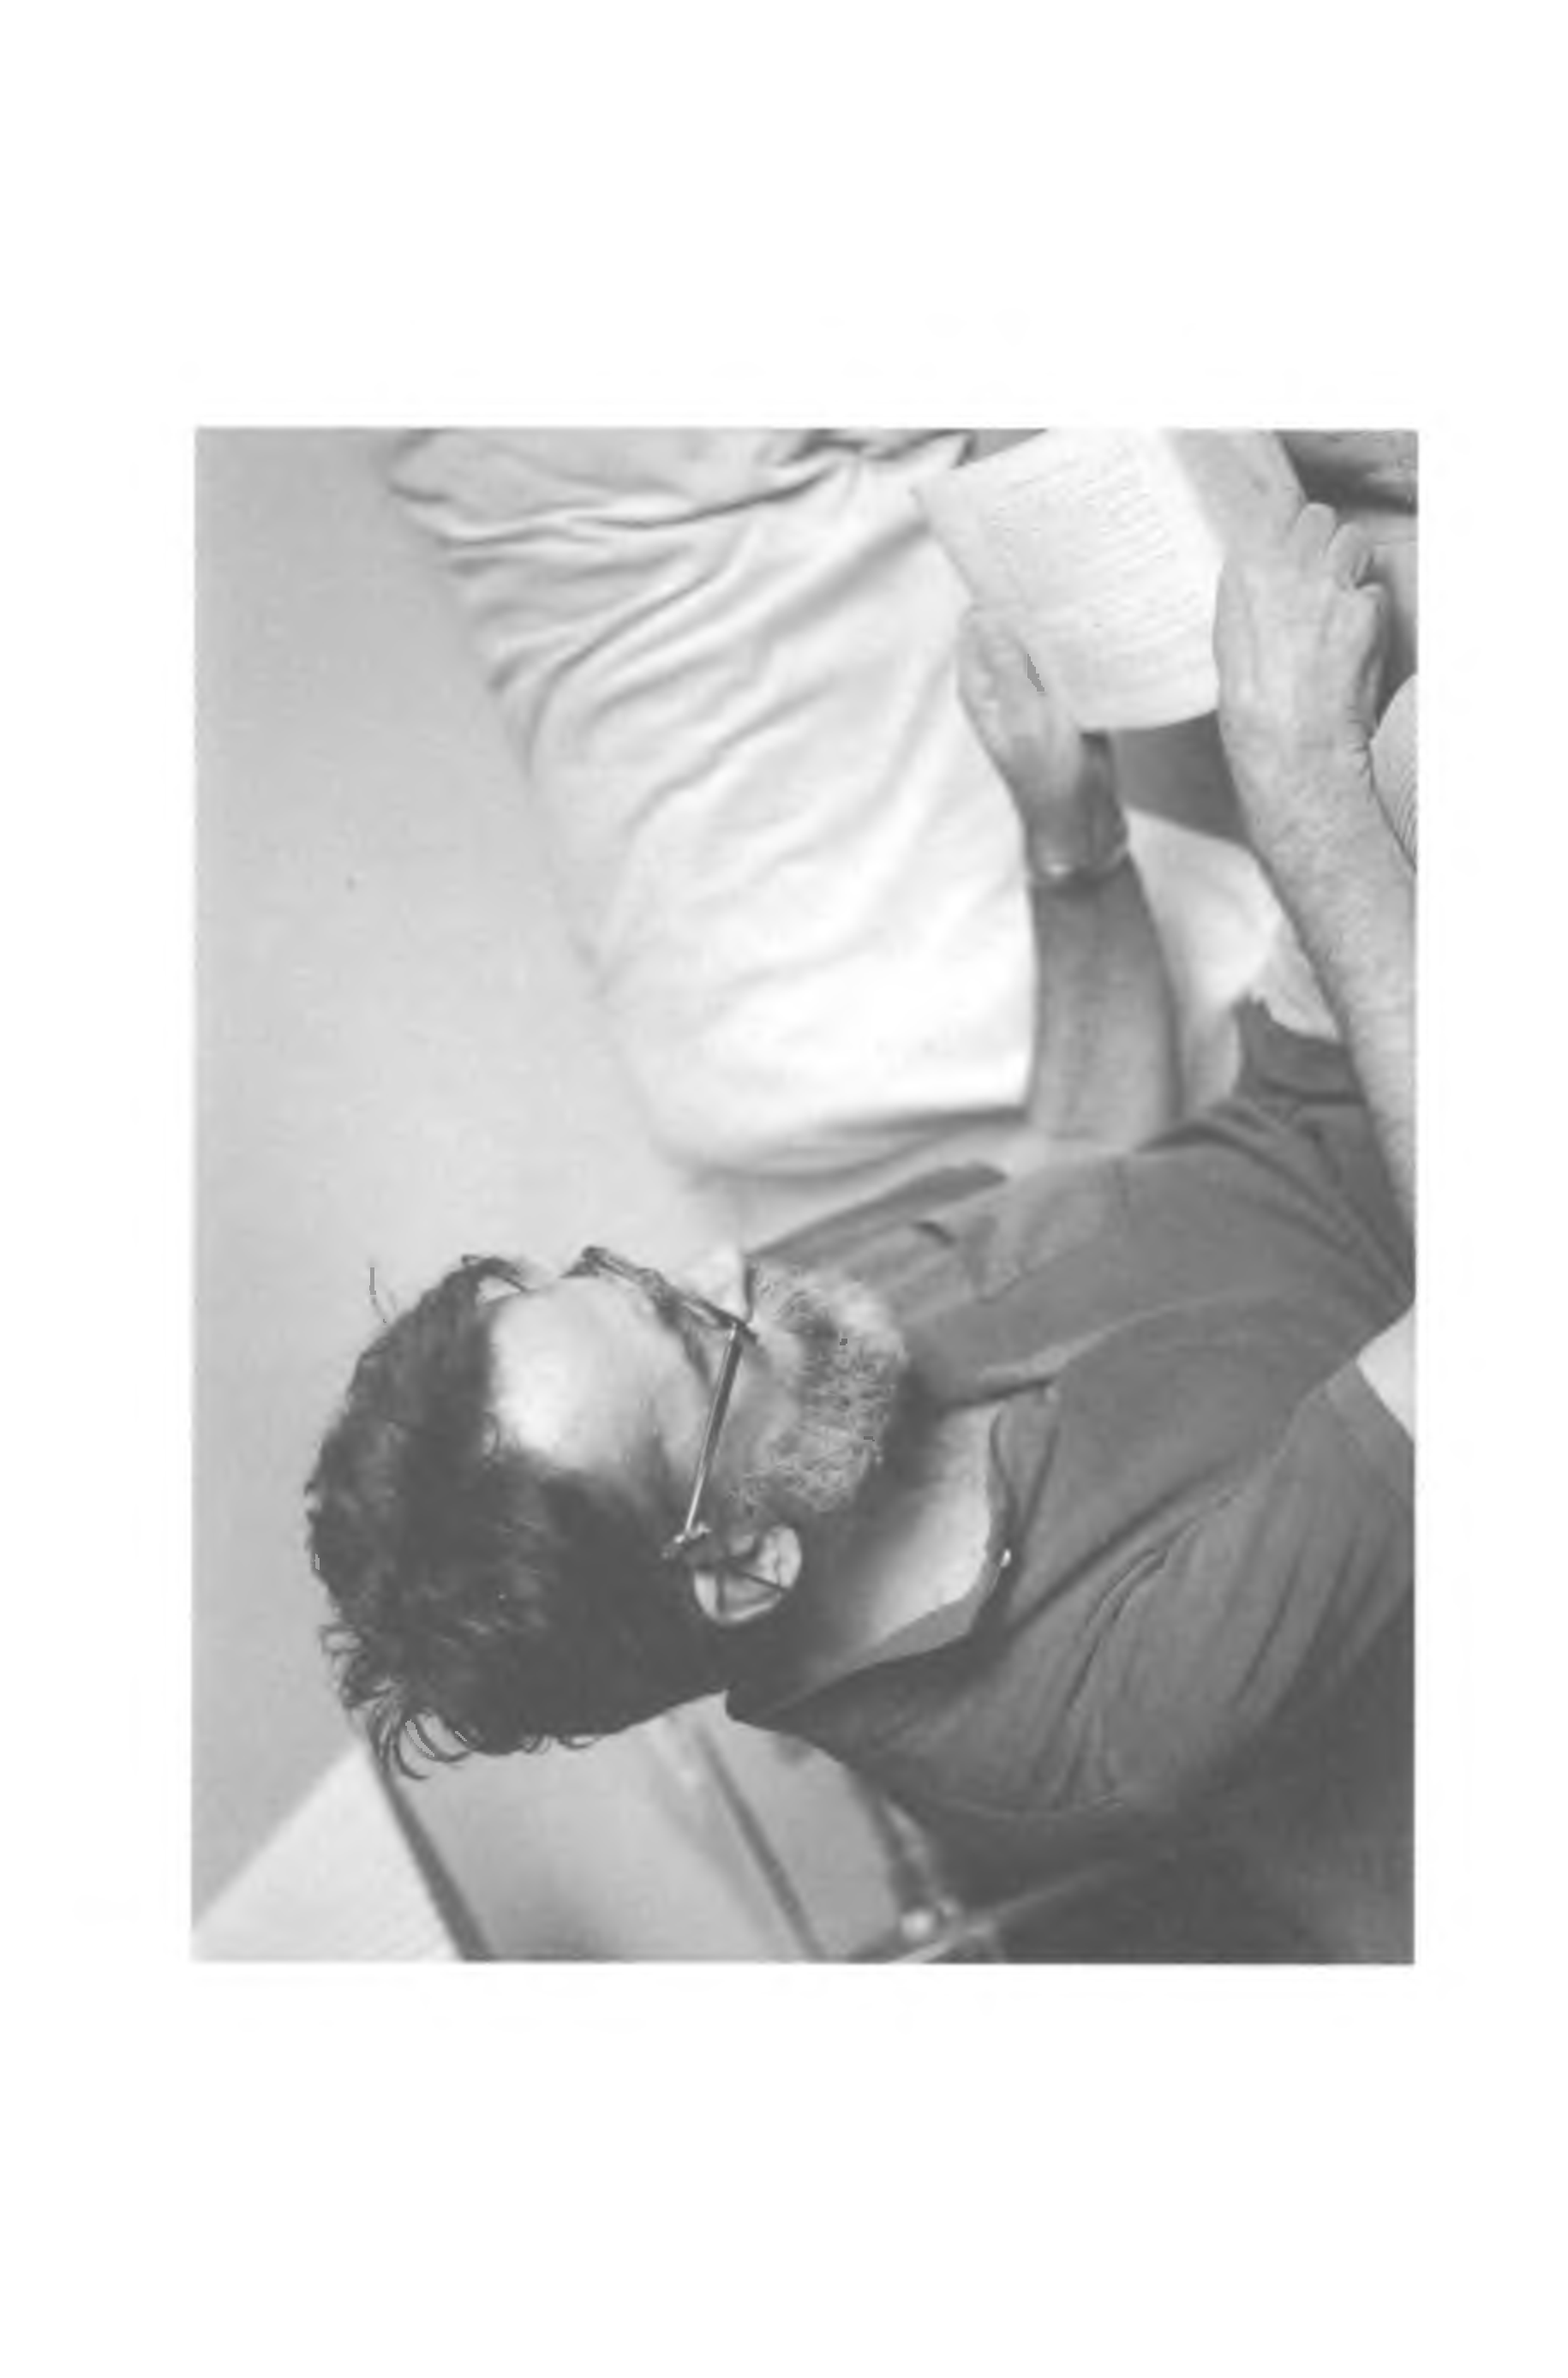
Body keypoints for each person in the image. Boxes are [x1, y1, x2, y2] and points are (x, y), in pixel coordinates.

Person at [306, 470, 1415, 1960]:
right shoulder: (1097, 1726)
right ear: (740, 1562)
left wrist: (1069, 838)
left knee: (1306, 525)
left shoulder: (806, 1374)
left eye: (630, 1274)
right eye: (694, 1332)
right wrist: (1307, 801)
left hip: (1332, 1083)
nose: (730, 1268)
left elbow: (1073, 1170)